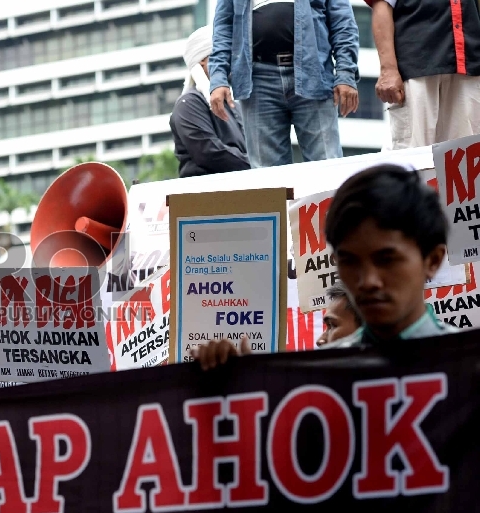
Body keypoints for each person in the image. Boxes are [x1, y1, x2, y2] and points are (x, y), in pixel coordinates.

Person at [193, 163, 456, 369]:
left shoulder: (469, 368)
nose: (367, 281)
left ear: (432, 260)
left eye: (386, 260)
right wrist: (237, 388)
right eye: (349, 261)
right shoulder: (315, 378)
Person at [208, 0, 360, 168]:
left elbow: (343, 22)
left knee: (326, 165)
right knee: (266, 177)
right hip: (258, 80)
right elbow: (223, 27)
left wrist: (346, 73)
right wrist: (218, 77)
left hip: (313, 74)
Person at [369, 0, 480, 150]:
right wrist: (388, 69)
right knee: (410, 151)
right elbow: (382, 5)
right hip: (416, 63)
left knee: (465, 154)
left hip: (469, 63)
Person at [170, 25, 251, 177]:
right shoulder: (189, 103)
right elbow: (209, 153)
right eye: (222, 55)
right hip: (206, 196)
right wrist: (256, 164)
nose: (230, 61)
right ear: (202, 61)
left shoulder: (236, 106)